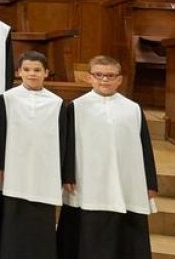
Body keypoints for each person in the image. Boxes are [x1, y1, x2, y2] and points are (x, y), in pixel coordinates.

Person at [58, 56, 158, 259]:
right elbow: (68, 144)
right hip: (88, 178)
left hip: (124, 178)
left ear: (119, 79)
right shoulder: (76, 107)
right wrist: (67, 175)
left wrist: (150, 182)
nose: (105, 79)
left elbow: (145, 147)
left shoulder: (133, 109)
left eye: (110, 75)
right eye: (99, 75)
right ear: (89, 78)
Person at [0, 51, 67, 259]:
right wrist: (0, 165)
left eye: (37, 70)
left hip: (45, 168)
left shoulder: (57, 103)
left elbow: (64, 140)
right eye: (26, 70)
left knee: (41, 215)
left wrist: (63, 171)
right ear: (18, 72)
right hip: (14, 167)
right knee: (13, 214)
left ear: (46, 73)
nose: (32, 74)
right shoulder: (7, 99)